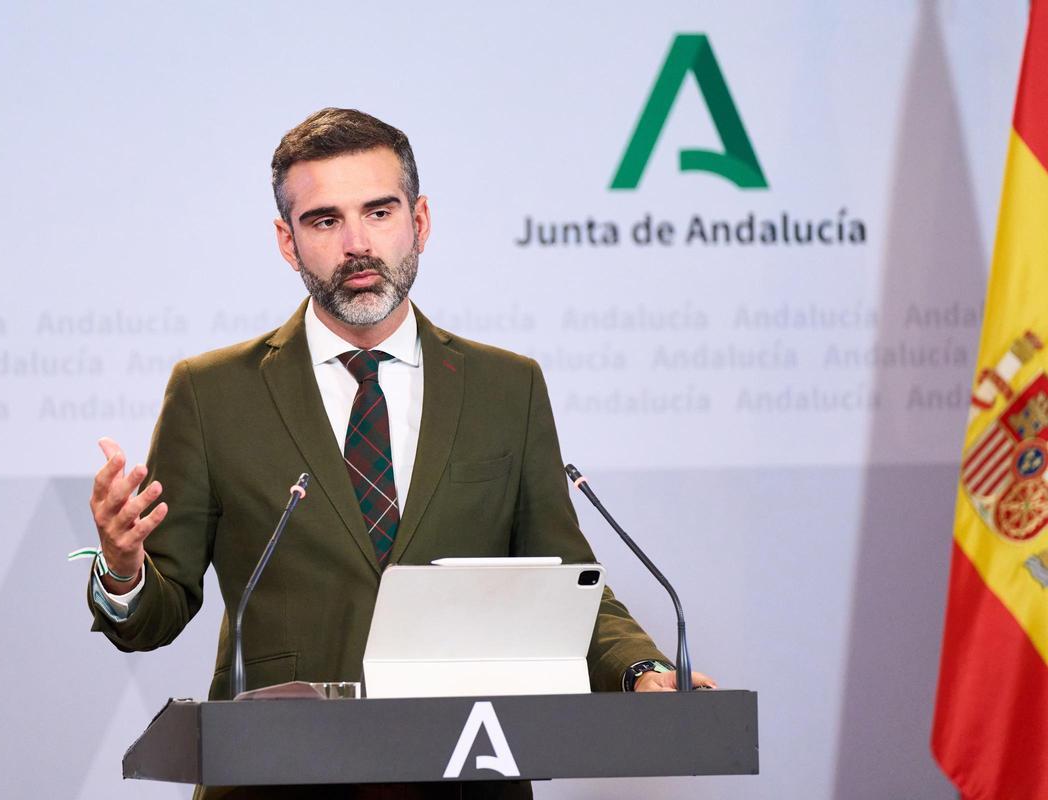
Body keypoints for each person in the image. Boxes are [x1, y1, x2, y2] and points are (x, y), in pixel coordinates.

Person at [87, 108, 714, 799]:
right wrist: (122, 571)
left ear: (419, 223)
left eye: (378, 213)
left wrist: (640, 669)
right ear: (286, 241)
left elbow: (565, 582)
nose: (357, 243)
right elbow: (156, 610)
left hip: (465, 781)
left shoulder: (507, 388)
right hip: (278, 783)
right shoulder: (212, 395)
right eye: (325, 221)